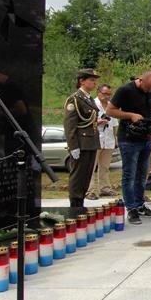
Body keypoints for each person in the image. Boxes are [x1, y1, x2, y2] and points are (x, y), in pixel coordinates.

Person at [106, 71, 151, 225]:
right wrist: (130, 115)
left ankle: (140, 204)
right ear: (141, 80)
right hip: (129, 138)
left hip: (146, 137)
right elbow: (109, 110)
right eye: (148, 88)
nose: (149, 92)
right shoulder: (125, 90)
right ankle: (131, 209)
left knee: (142, 174)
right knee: (129, 175)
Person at [63, 69, 101, 208]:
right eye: (91, 80)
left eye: (95, 80)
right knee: (78, 176)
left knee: (86, 176)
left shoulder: (88, 98)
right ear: (82, 81)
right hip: (81, 143)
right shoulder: (74, 99)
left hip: (91, 142)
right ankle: (75, 204)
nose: (94, 82)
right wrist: (73, 146)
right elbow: (70, 125)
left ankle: (81, 203)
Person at [85, 83, 118, 200]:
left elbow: (114, 124)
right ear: (98, 93)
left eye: (109, 94)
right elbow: (85, 122)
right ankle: (90, 191)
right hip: (95, 139)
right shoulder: (92, 104)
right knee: (91, 166)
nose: (107, 96)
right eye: (105, 94)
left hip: (108, 139)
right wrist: (98, 122)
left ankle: (105, 188)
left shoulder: (111, 106)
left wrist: (115, 139)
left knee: (105, 166)